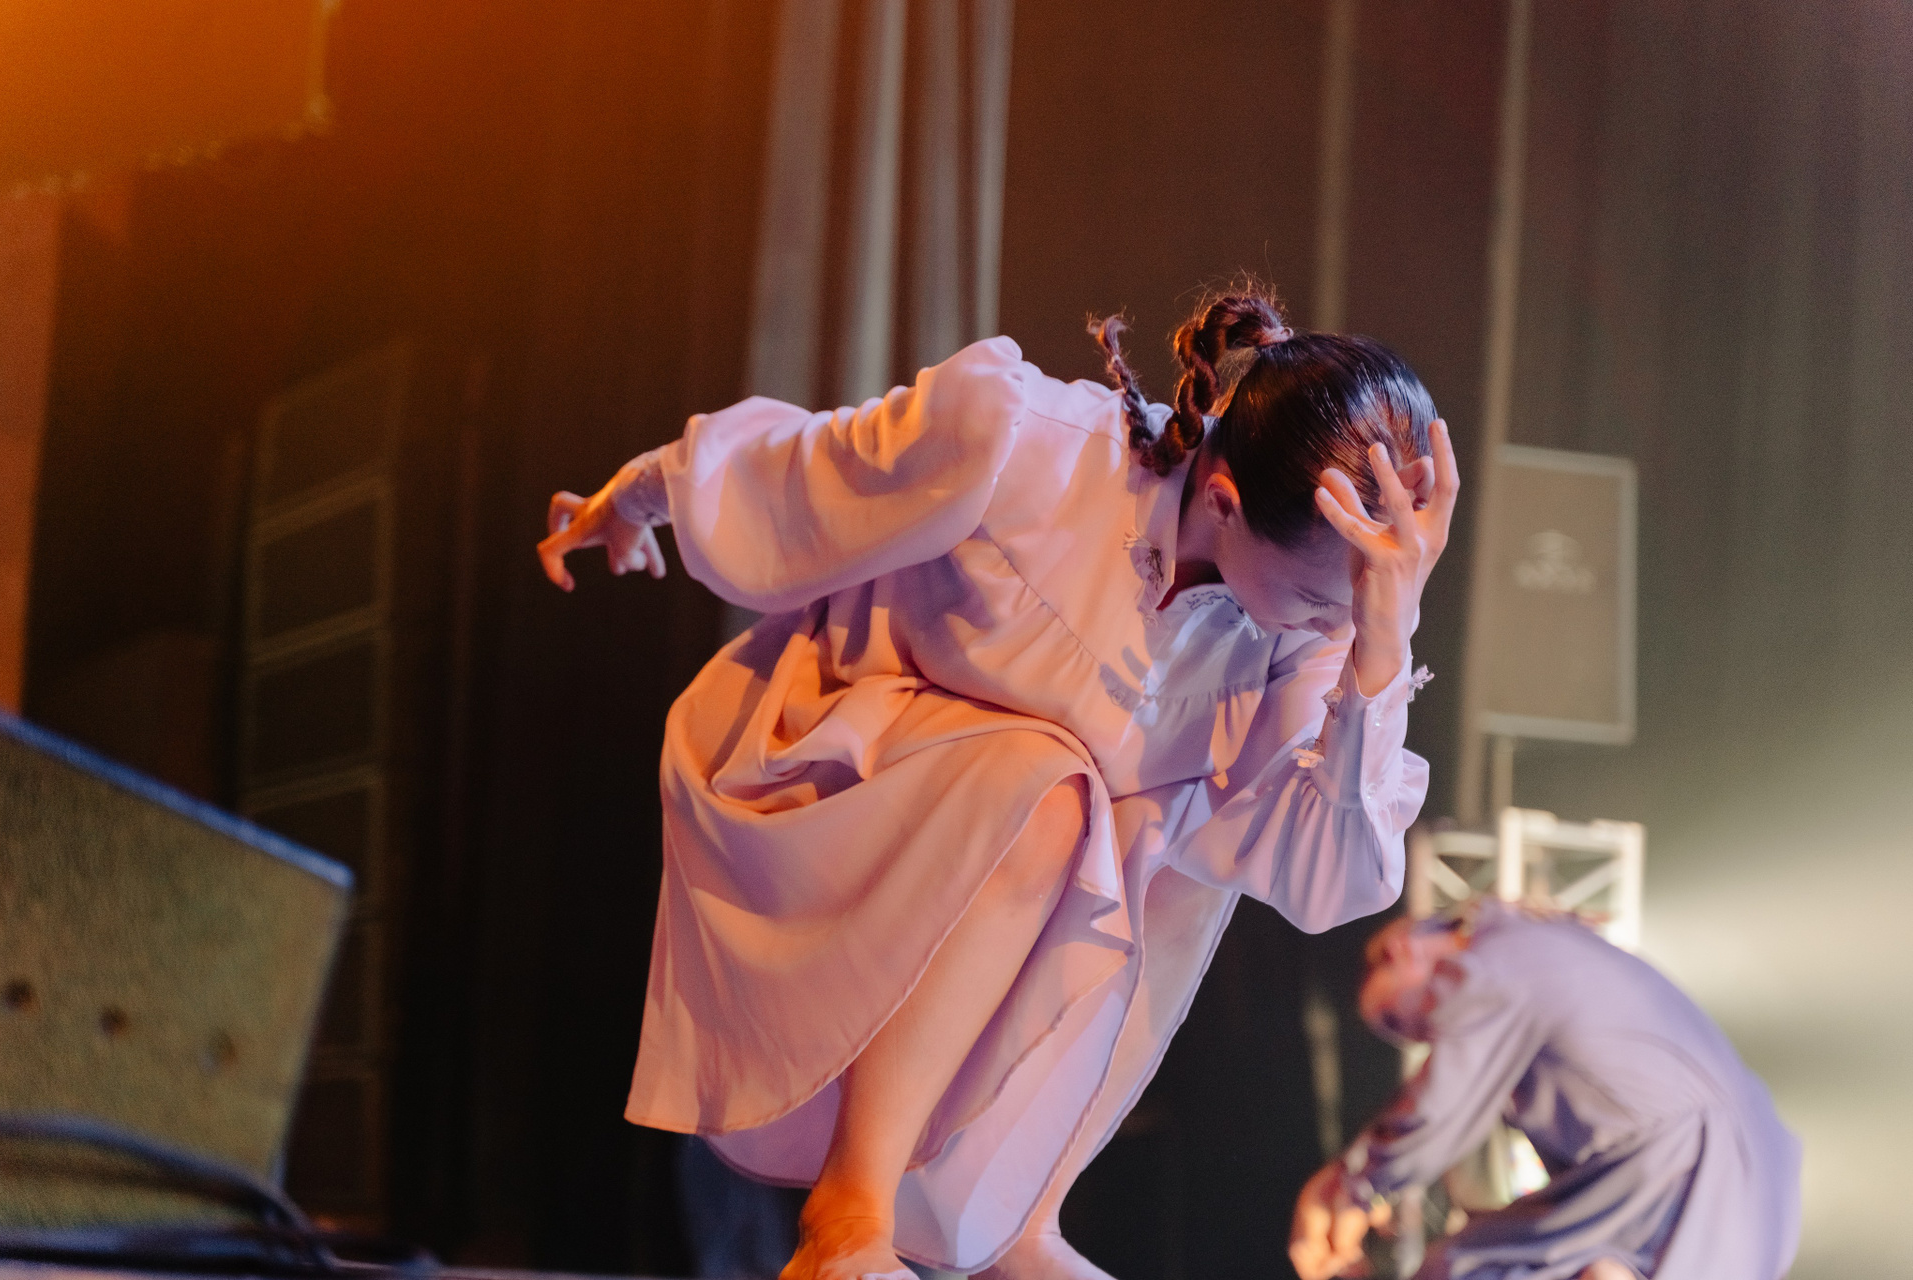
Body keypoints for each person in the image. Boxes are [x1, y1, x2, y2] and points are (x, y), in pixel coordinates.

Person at [536, 288, 1459, 1280]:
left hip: (1019, 868)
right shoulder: (1029, 440)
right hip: (837, 777)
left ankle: (1017, 1217)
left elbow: (1326, 878)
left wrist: (1383, 643)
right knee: (1052, 790)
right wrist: (634, 495)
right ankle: (849, 1212)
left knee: (1192, 847)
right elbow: (802, 471)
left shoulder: (1312, 637)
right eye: (1328, 596)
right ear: (1227, 502)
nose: (1335, 623)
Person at [1288, 902, 1803, 1280]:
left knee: (1460, 1268)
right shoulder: (1547, 947)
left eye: (1397, 1020)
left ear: (1402, 951)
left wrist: (1347, 1188)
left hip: (1678, 1164)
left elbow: (1435, 1112)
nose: (1418, 1038)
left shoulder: (1493, 963)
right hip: (1761, 1204)